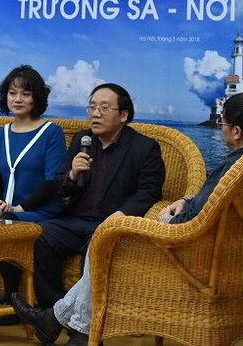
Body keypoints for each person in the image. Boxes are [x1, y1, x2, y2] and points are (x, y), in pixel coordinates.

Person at [11, 92, 243, 346]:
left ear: (236, 132)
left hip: (185, 249)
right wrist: (183, 200)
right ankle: (58, 317)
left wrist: (167, 216)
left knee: (102, 242)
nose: (96, 113)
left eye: (223, 123)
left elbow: (192, 213)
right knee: (49, 235)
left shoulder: (224, 165)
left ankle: (67, 326)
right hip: (220, 253)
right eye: (92, 107)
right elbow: (208, 203)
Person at [33, 83, 166, 310]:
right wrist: (72, 174)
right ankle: (53, 309)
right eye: (92, 107)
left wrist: (121, 215)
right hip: (75, 221)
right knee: (41, 234)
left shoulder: (144, 148)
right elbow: (59, 185)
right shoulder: (81, 141)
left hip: (112, 224)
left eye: (104, 108)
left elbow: (150, 191)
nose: (95, 114)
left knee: (96, 244)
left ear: (123, 115)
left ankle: (82, 327)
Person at [0, 65, 67, 325]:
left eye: (25, 94)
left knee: (7, 223)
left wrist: (20, 208)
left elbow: (53, 182)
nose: (18, 99)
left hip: (41, 210)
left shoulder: (51, 132)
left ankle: (15, 303)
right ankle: (5, 299)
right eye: (12, 93)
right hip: (7, 209)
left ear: (37, 98)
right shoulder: (1, 134)